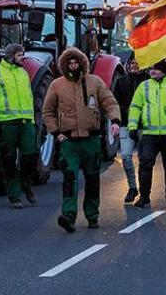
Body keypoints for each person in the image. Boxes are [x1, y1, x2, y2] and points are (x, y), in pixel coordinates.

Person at [43, 48, 121, 232]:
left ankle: (92, 215)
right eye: (69, 63)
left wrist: (115, 121)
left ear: (82, 63)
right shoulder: (57, 85)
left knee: (92, 179)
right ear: (64, 65)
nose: (73, 66)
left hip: (91, 140)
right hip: (68, 141)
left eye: (75, 62)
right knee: (70, 178)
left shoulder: (95, 82)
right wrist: (55, 132)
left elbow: (110, 102)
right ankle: (68, 216)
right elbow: (47, 111)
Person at [0, 43, 38, 209]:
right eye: (20, 55)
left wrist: (32, 121)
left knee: (31, 155)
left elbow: (29, 97)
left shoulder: (23, 73)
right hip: (7, 123)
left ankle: (26, 184)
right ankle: (14, 195)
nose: (23, 58)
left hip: (26, 121)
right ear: (11, 56)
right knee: (8, 160)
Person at [127, 59, 166, 209]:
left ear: (163, 70)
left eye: (156, 69)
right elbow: (135, 107)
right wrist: (132, 126)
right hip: (149, 134)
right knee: (145, 165)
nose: (152, 71)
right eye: (150, 68)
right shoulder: (143, 87)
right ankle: (144, 196)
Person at [114, 54, 149, 203]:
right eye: (132, 63)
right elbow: (115, 101)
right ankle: (132, 187)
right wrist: (125, 110)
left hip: (144, 126)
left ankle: (144, 190)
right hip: (126, 124)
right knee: (126, 156)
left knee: (144, 160)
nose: (135, 65)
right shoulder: (121, 81)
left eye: (138, 63)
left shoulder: (148, 82)